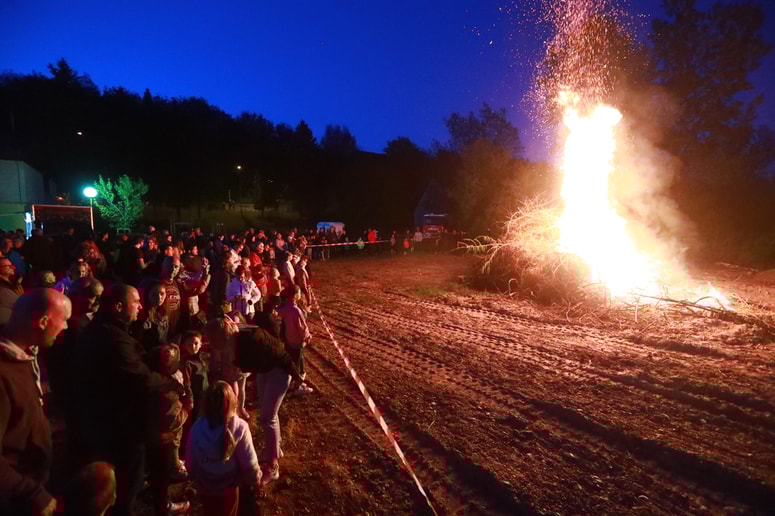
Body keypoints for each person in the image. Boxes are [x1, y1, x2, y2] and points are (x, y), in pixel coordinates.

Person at [71, 284, 183, 516]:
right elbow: (139, 377)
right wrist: (171, 384)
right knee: (125, 487)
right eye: (136, 302)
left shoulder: (108, 330)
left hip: (109, 420)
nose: (141, 305)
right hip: (119, 426)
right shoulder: (112, 337)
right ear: (118, 307)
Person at [0, 289, 72, 516]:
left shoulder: (24, 355)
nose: (66, 328)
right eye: (64, 321)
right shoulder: (3, 373)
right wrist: (32, 494)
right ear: (42, 321)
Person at [185, 382, 261, 516]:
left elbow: (190, 462)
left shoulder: (197, 427)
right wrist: (255, 479)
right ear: (233, 402)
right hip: (229, 488)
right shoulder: (239, 428)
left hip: (205, 487)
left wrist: (195, 479)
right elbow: (250, 465)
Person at [145, 344, 192, 515]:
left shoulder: (146, 378)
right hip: (160, 439)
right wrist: (187, 409)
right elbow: (173, 422)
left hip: (143, 433)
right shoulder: (168, 393)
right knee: (161, 474)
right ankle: (164, 505)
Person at [277, 286, 313, 397]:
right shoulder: (296, 311)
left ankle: (292, 382)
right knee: (298, 364)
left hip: (288, 339)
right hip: (297, 341)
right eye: (298, 293)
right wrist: (308, 337)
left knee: (291, 362)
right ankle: (297, 386)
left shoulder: (284, 308)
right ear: (295, 295)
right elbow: (302, 327)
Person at [0, 257, 21, 326]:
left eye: (12, 265)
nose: (13, 267)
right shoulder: (2, 287)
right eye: (8, 266)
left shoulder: (12, 284)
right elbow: (20, 303)